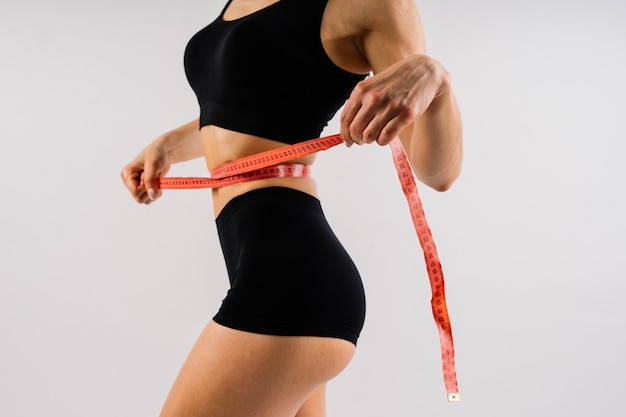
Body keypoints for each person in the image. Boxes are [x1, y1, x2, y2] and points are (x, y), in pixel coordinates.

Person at [120, 0, 463, 415]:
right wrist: (167, 146)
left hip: (290, 284)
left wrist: (436, 79)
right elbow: (247, 109)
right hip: (280, 279)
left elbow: (437, 171)